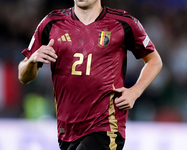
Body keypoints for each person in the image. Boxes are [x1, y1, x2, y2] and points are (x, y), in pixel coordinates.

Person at [18, 0, 162, 149]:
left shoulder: (123, 23)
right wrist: (32, 61)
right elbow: (23, 76)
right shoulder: (51, 23)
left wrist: (135, 91)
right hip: (66, 129)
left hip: (105, 125)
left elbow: (154, 60)